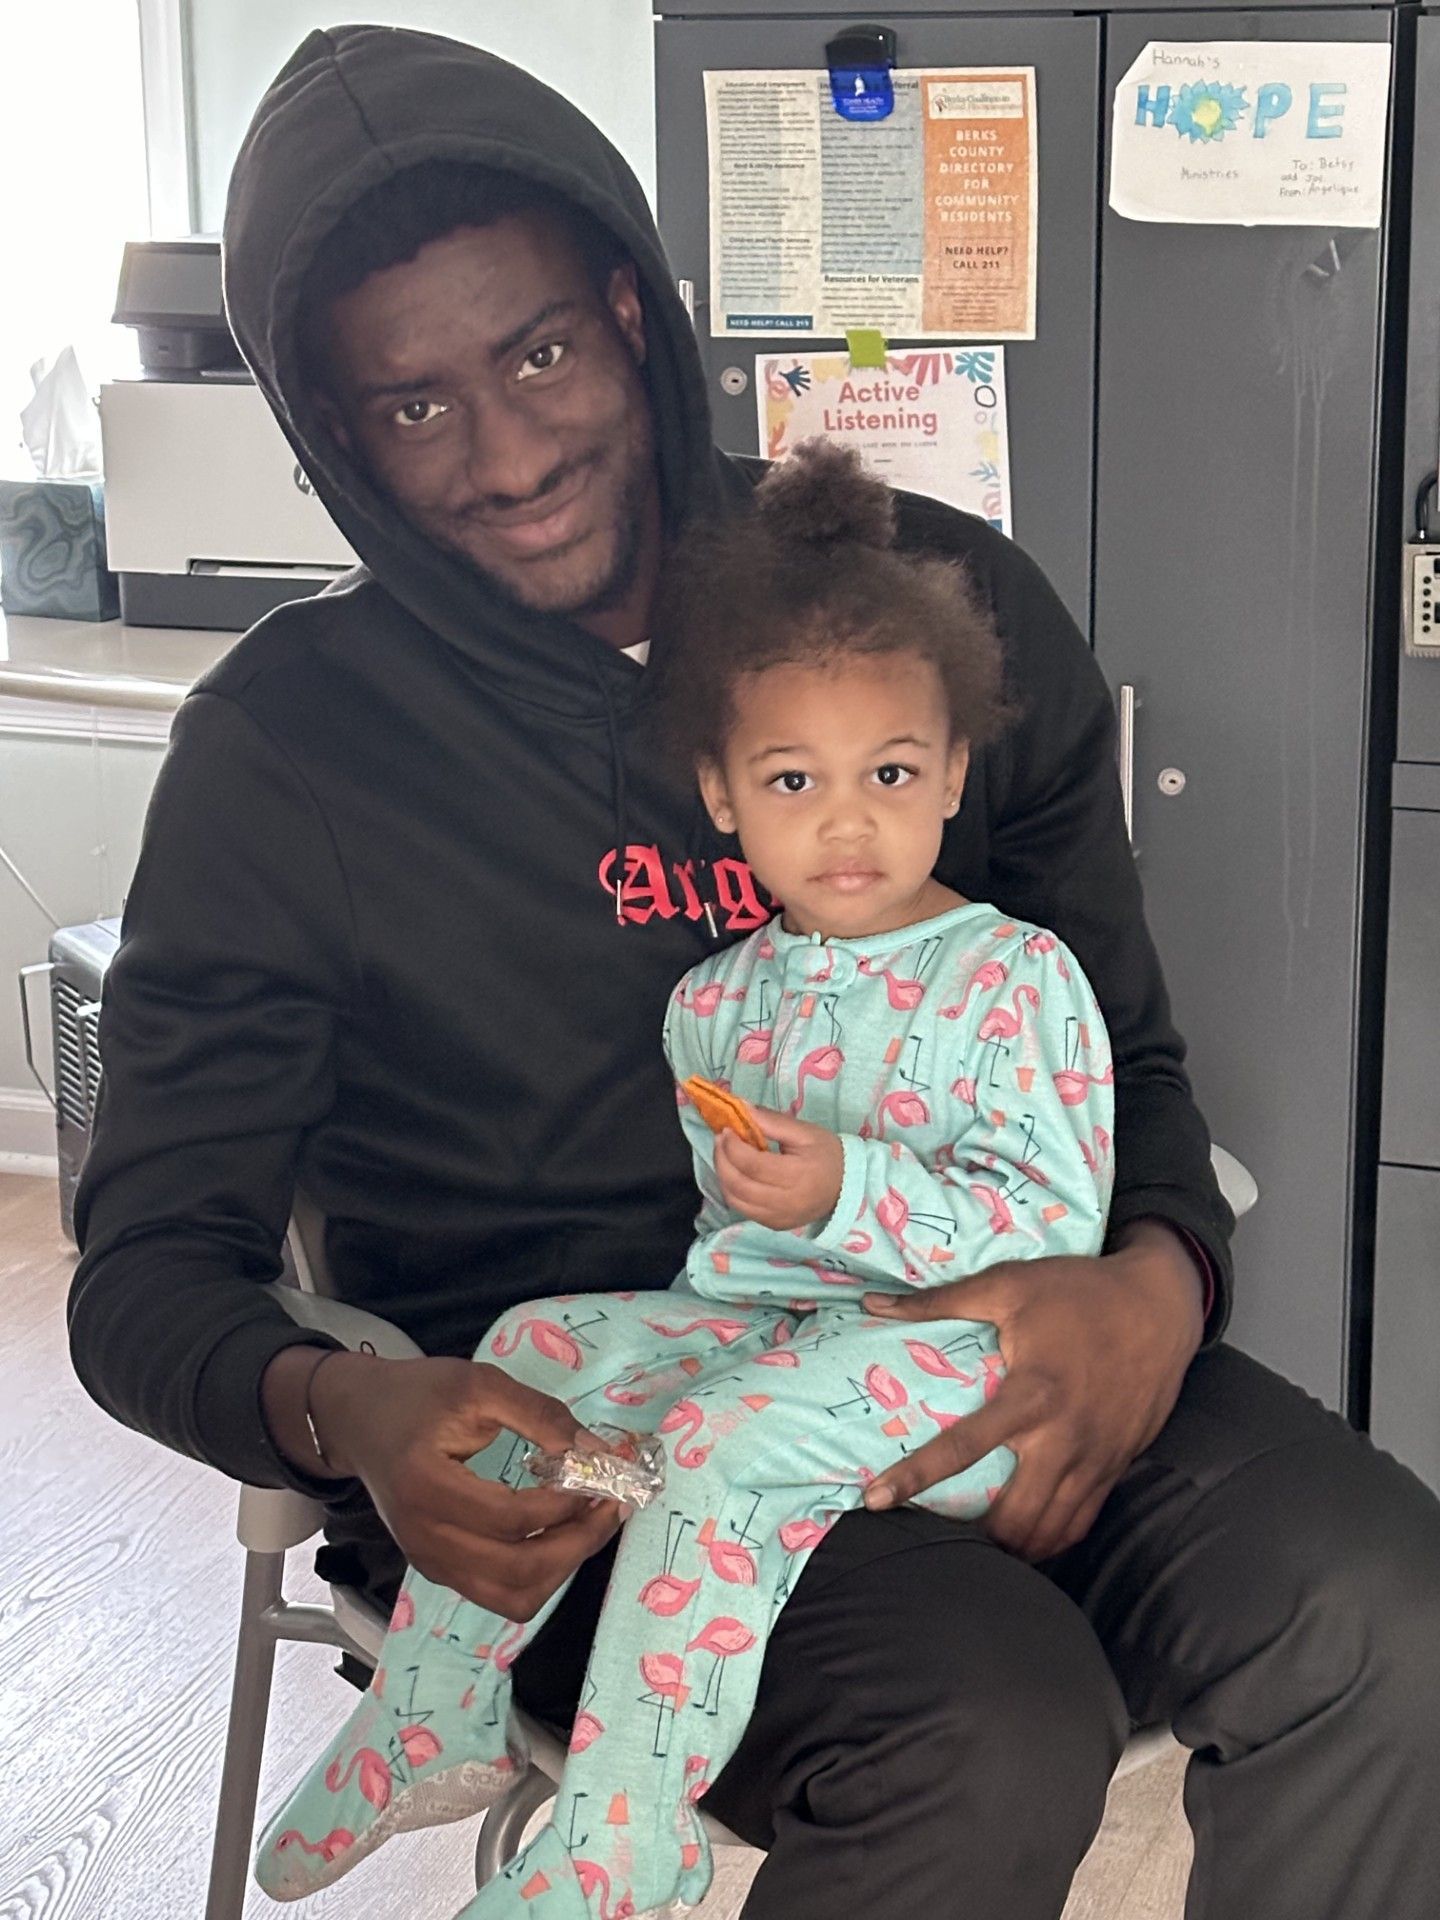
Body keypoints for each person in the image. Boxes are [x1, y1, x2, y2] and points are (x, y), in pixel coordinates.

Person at [67, 25, 1440, 1920]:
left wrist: (1159, 1281)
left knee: (1386, 1603)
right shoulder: (288, 750)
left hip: (977, 1316)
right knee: (986, 1724)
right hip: (584, 1445)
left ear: (632, 307)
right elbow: (142, 1271)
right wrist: (337, 1413)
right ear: (328, 435)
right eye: (412, 407)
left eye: (538, 351)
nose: (508, 454)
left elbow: (1118, 1052)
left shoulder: (929, 611)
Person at [252, 440, 1117, 1918]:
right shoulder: (713, 1005)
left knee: (712, 1444)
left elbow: (1052, 1233)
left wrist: (844, 1190)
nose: (847, 823)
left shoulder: (1013, 978)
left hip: (957, 1379)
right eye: (795, 779)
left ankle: (621, 1836)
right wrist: (641, 1379)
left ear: (955, 774)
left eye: (892, 774)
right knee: (532, 1355)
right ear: (723, 795)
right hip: (774, 1353)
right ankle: (437, 1714)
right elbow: (730, 1264)